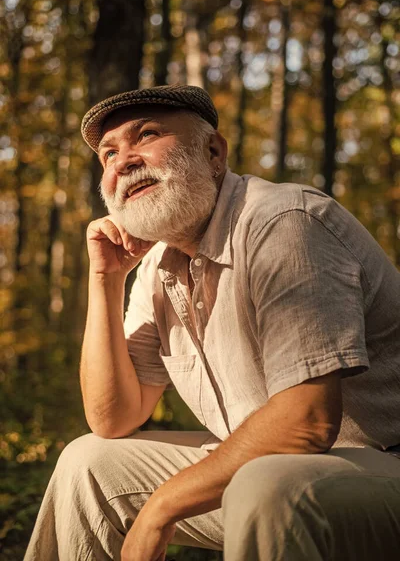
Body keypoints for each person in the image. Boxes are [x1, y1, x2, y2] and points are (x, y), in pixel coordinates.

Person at [25, 85, 400, 561]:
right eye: (109, 154)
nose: (123, 162)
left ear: (214, 152)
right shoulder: (159, 264)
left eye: (148, 135)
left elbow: (306, 422)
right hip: (278, 471)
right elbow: (113, 418)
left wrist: (163, 505)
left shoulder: (284, 222)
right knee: (88, 462)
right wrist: (106, 279)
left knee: (268, 485)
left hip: (383, 465)